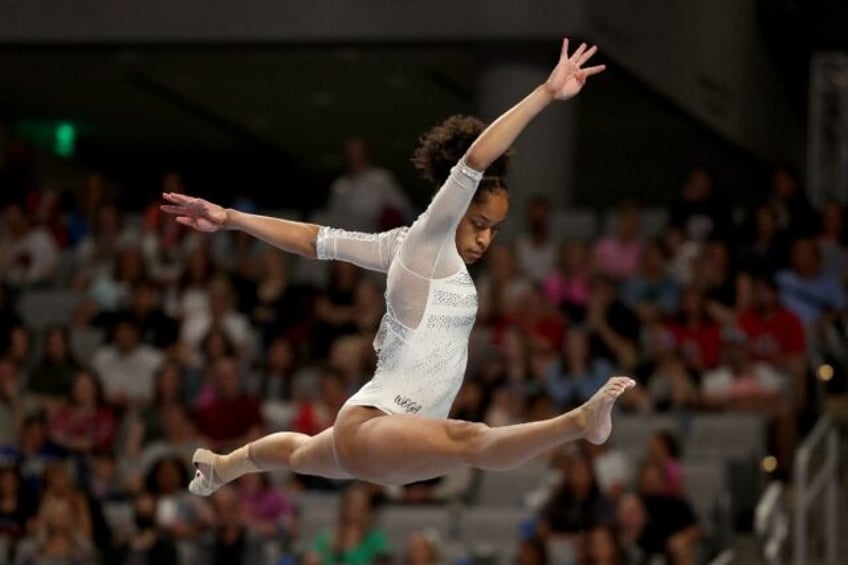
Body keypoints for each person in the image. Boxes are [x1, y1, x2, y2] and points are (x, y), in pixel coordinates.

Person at [161, 39, 634, 496]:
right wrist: (546, 93)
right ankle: (578, 422)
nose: (485, 239)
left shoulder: (399, 247)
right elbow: (475, 159)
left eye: (495, 230)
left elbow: (314, 240)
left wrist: (232, 219)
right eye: (479, 223)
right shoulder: (427, 240)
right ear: (457, 206)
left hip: (397, 444)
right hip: (376, 426)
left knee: (302, 453)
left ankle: (223, 466)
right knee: (471, 439)